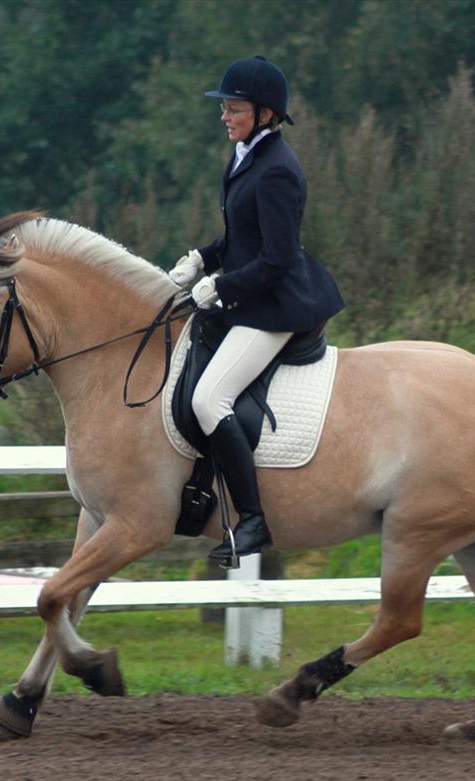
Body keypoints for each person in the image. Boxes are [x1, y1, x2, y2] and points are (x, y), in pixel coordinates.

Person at [168, 55, 345, 564]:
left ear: (265, 114)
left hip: (275, 306)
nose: (225, 115)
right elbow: (241, 235)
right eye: (224, 106)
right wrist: (203, 258)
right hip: (252, 292)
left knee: (209, 400)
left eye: (235, 108)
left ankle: (253, 522)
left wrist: (221, 289)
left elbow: (277, 258)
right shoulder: (246, 153)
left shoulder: (278, 171)